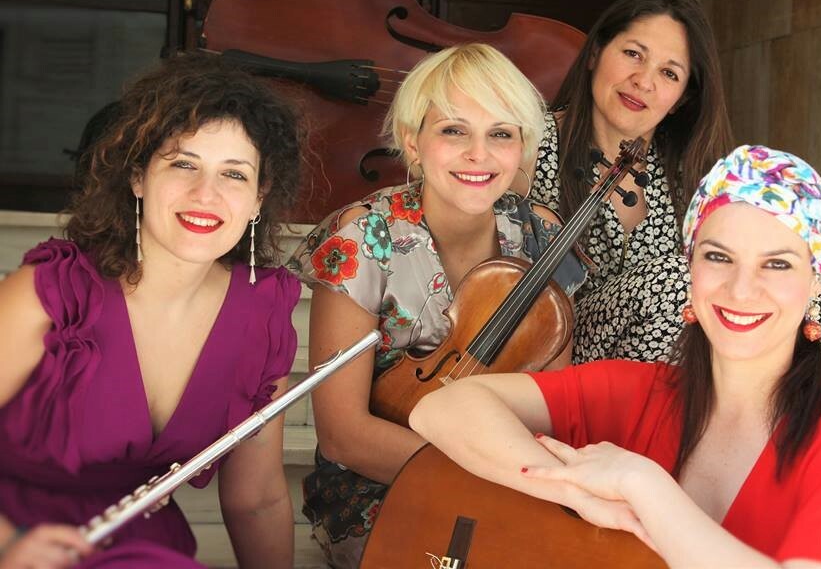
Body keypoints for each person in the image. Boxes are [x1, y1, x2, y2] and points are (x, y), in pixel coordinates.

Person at [412, 145, 821, 568]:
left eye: (777, 264)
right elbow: (442, 408)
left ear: (816, 280)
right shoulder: (639, 391)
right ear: (690, 266)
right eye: (718, 256)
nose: (740, 289)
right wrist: (575, 493)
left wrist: (644, 485)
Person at [285, 43, 587, 568]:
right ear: (413, 141)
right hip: (380, 482)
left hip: (508, 476)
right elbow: (344, 434)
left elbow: (550, 402)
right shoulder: (362, 238)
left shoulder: (541, 235)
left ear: (523, 147)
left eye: (501, 133)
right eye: (453, 130)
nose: (479, 154)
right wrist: (480, 476)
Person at [0, 52, 304, 569]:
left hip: (137, 547)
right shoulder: (53, 291)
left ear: (259, 198)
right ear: (138, 177)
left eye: (234, 174)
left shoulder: (263, 314)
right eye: (183, 164)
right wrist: (9, 545)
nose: (206, 194)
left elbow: (256, 499)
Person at [522, 0, 821, 384]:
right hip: (558, 347)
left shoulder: (690, 174)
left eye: (668, 72)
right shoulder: (526, 143)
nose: (643, 81)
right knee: (681, 279)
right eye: (633, 54)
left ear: (681, 98)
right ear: (595, 53)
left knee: (807, 303)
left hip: (675, 362)